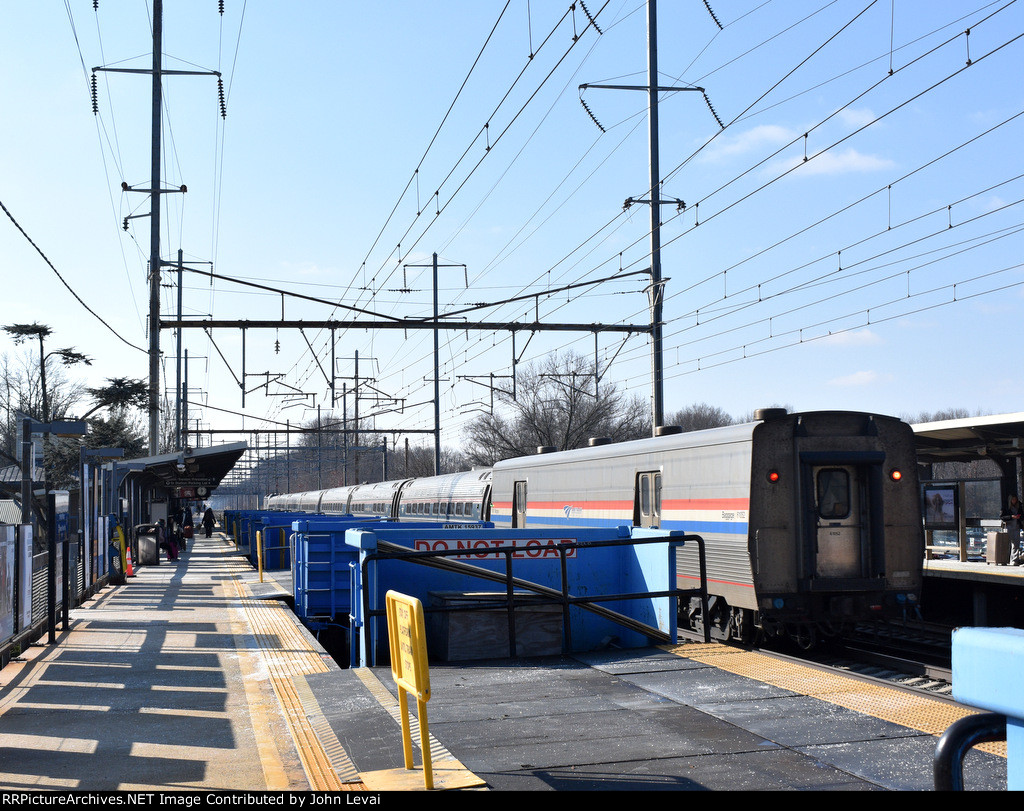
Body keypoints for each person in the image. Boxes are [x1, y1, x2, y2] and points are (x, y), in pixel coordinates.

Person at [1002, 494, 1024, 566]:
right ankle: (1005, 559)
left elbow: (1022, 515)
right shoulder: (1006, 507)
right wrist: (1011, 516)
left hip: (1016, 526)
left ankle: (1014, 560)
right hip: (1008, 526)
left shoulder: (1019, 507)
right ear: (1010, 500)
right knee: (1008, 543)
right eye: (1013, 500)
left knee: (1016, 544)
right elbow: (1002, 517)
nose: (1014, 501)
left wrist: (1019, 517)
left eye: (1015, 500)